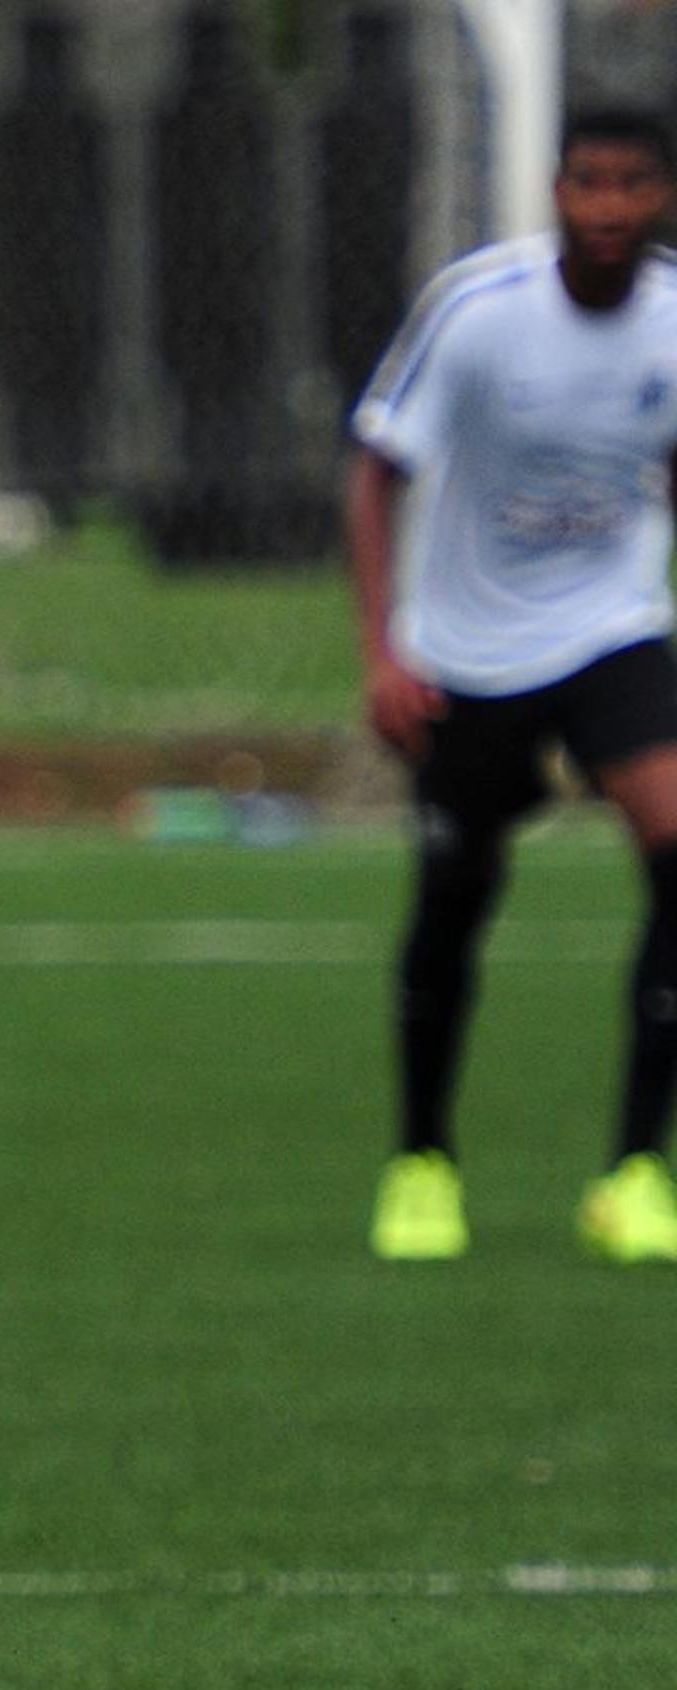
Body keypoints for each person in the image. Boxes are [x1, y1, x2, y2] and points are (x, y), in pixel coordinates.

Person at [349, 104, 677, 1264]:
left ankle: (637, 1172)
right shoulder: (481, 311)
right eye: (588, 182)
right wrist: (386, 649)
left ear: (663, 197)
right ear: (555, 191)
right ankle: (422, 1161)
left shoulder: (673, 321)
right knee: (454, 902)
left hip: (612, 627)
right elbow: (377, 463)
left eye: (632, 184)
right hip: (472, 649)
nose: (608, 207)